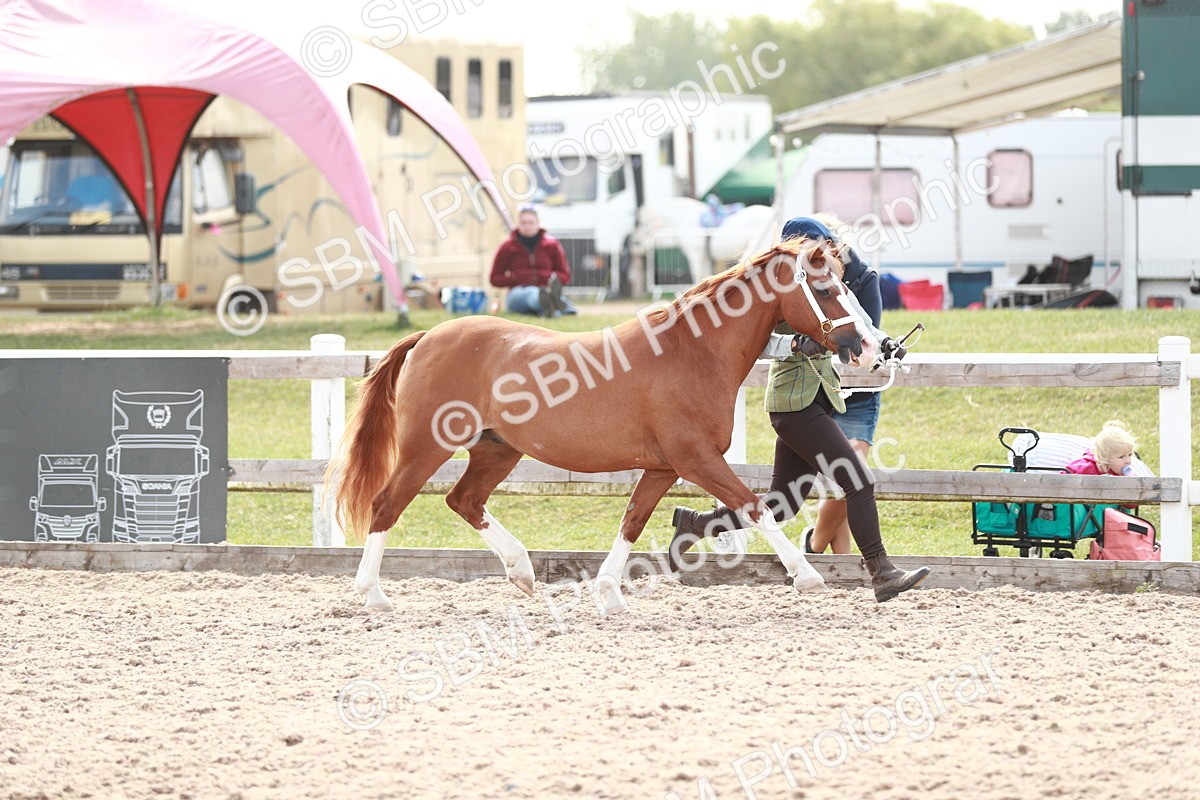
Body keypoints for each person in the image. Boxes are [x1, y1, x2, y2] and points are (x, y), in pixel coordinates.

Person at [669, 216, 931, 603]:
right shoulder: (776, 289)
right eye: (814, 247)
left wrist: (885, 342)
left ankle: (695, 524)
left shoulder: (827, 282)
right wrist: (792, 347)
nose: (822, 253)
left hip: (821, 398)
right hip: (794, 404)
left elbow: (857, 320)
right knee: (858, 480)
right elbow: (755, 342)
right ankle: (882, 572)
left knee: (784, 504)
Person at [798, 216, 883, 556]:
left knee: (851, 475)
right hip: (820, 389)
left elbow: (864, 336)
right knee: (842, 482)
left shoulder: (863, 279)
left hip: (858, 392)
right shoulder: (802, 281)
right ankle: (842, 565)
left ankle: (813, 545)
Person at [489, 204, 577, 317]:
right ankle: (558, 306)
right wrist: (516, 277)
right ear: (518, 224)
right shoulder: (507, 247)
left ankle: (552, 307)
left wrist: (550, 277)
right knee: (533, 294)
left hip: (546, 287)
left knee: (544, 292)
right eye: (523, 223)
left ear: (538, 223)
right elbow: (494, 278)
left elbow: (565, 275)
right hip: (518, 292)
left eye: (531, 222)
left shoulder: (552, 245)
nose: (527, 226)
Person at [1065, 420, 1138, 477]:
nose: (1128, 461)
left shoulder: (1122, 474)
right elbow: (1063, 477)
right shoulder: (1085, 467)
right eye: (1121, 457)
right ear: (1104, 458)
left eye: (1129, 455)